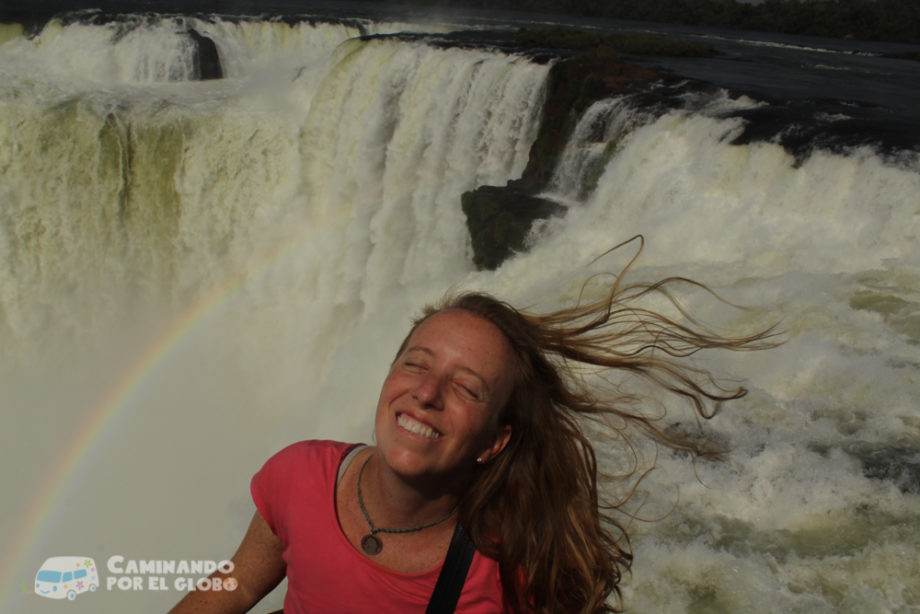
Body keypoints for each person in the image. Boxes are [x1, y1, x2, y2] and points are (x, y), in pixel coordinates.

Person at [168, 237, 777, 614]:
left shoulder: (509, 565)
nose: (427, 393)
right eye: (416, 364)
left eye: (467, 389)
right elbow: (236, 588)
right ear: (387, 381)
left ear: (497, 440)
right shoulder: (297, 476)